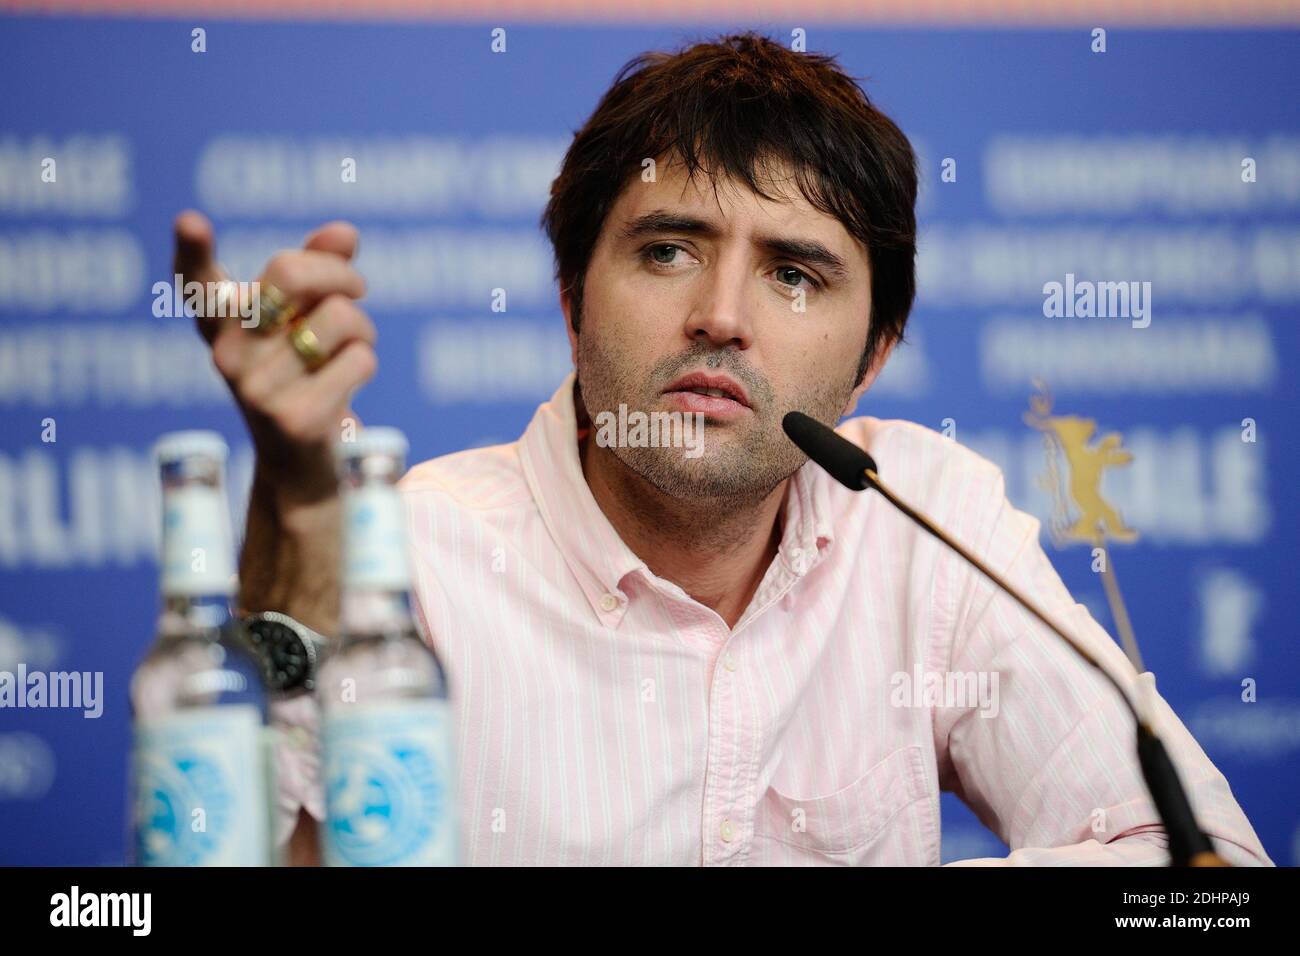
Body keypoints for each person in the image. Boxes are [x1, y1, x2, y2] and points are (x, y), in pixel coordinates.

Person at [172, 32, 1270, 866]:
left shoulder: (924, 520)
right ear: (569, 300)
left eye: (795, 273)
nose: (722, 314)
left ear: (873, 355)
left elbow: (1197, 874)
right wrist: (297, 505)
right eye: (665, 251)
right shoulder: (414, 550)